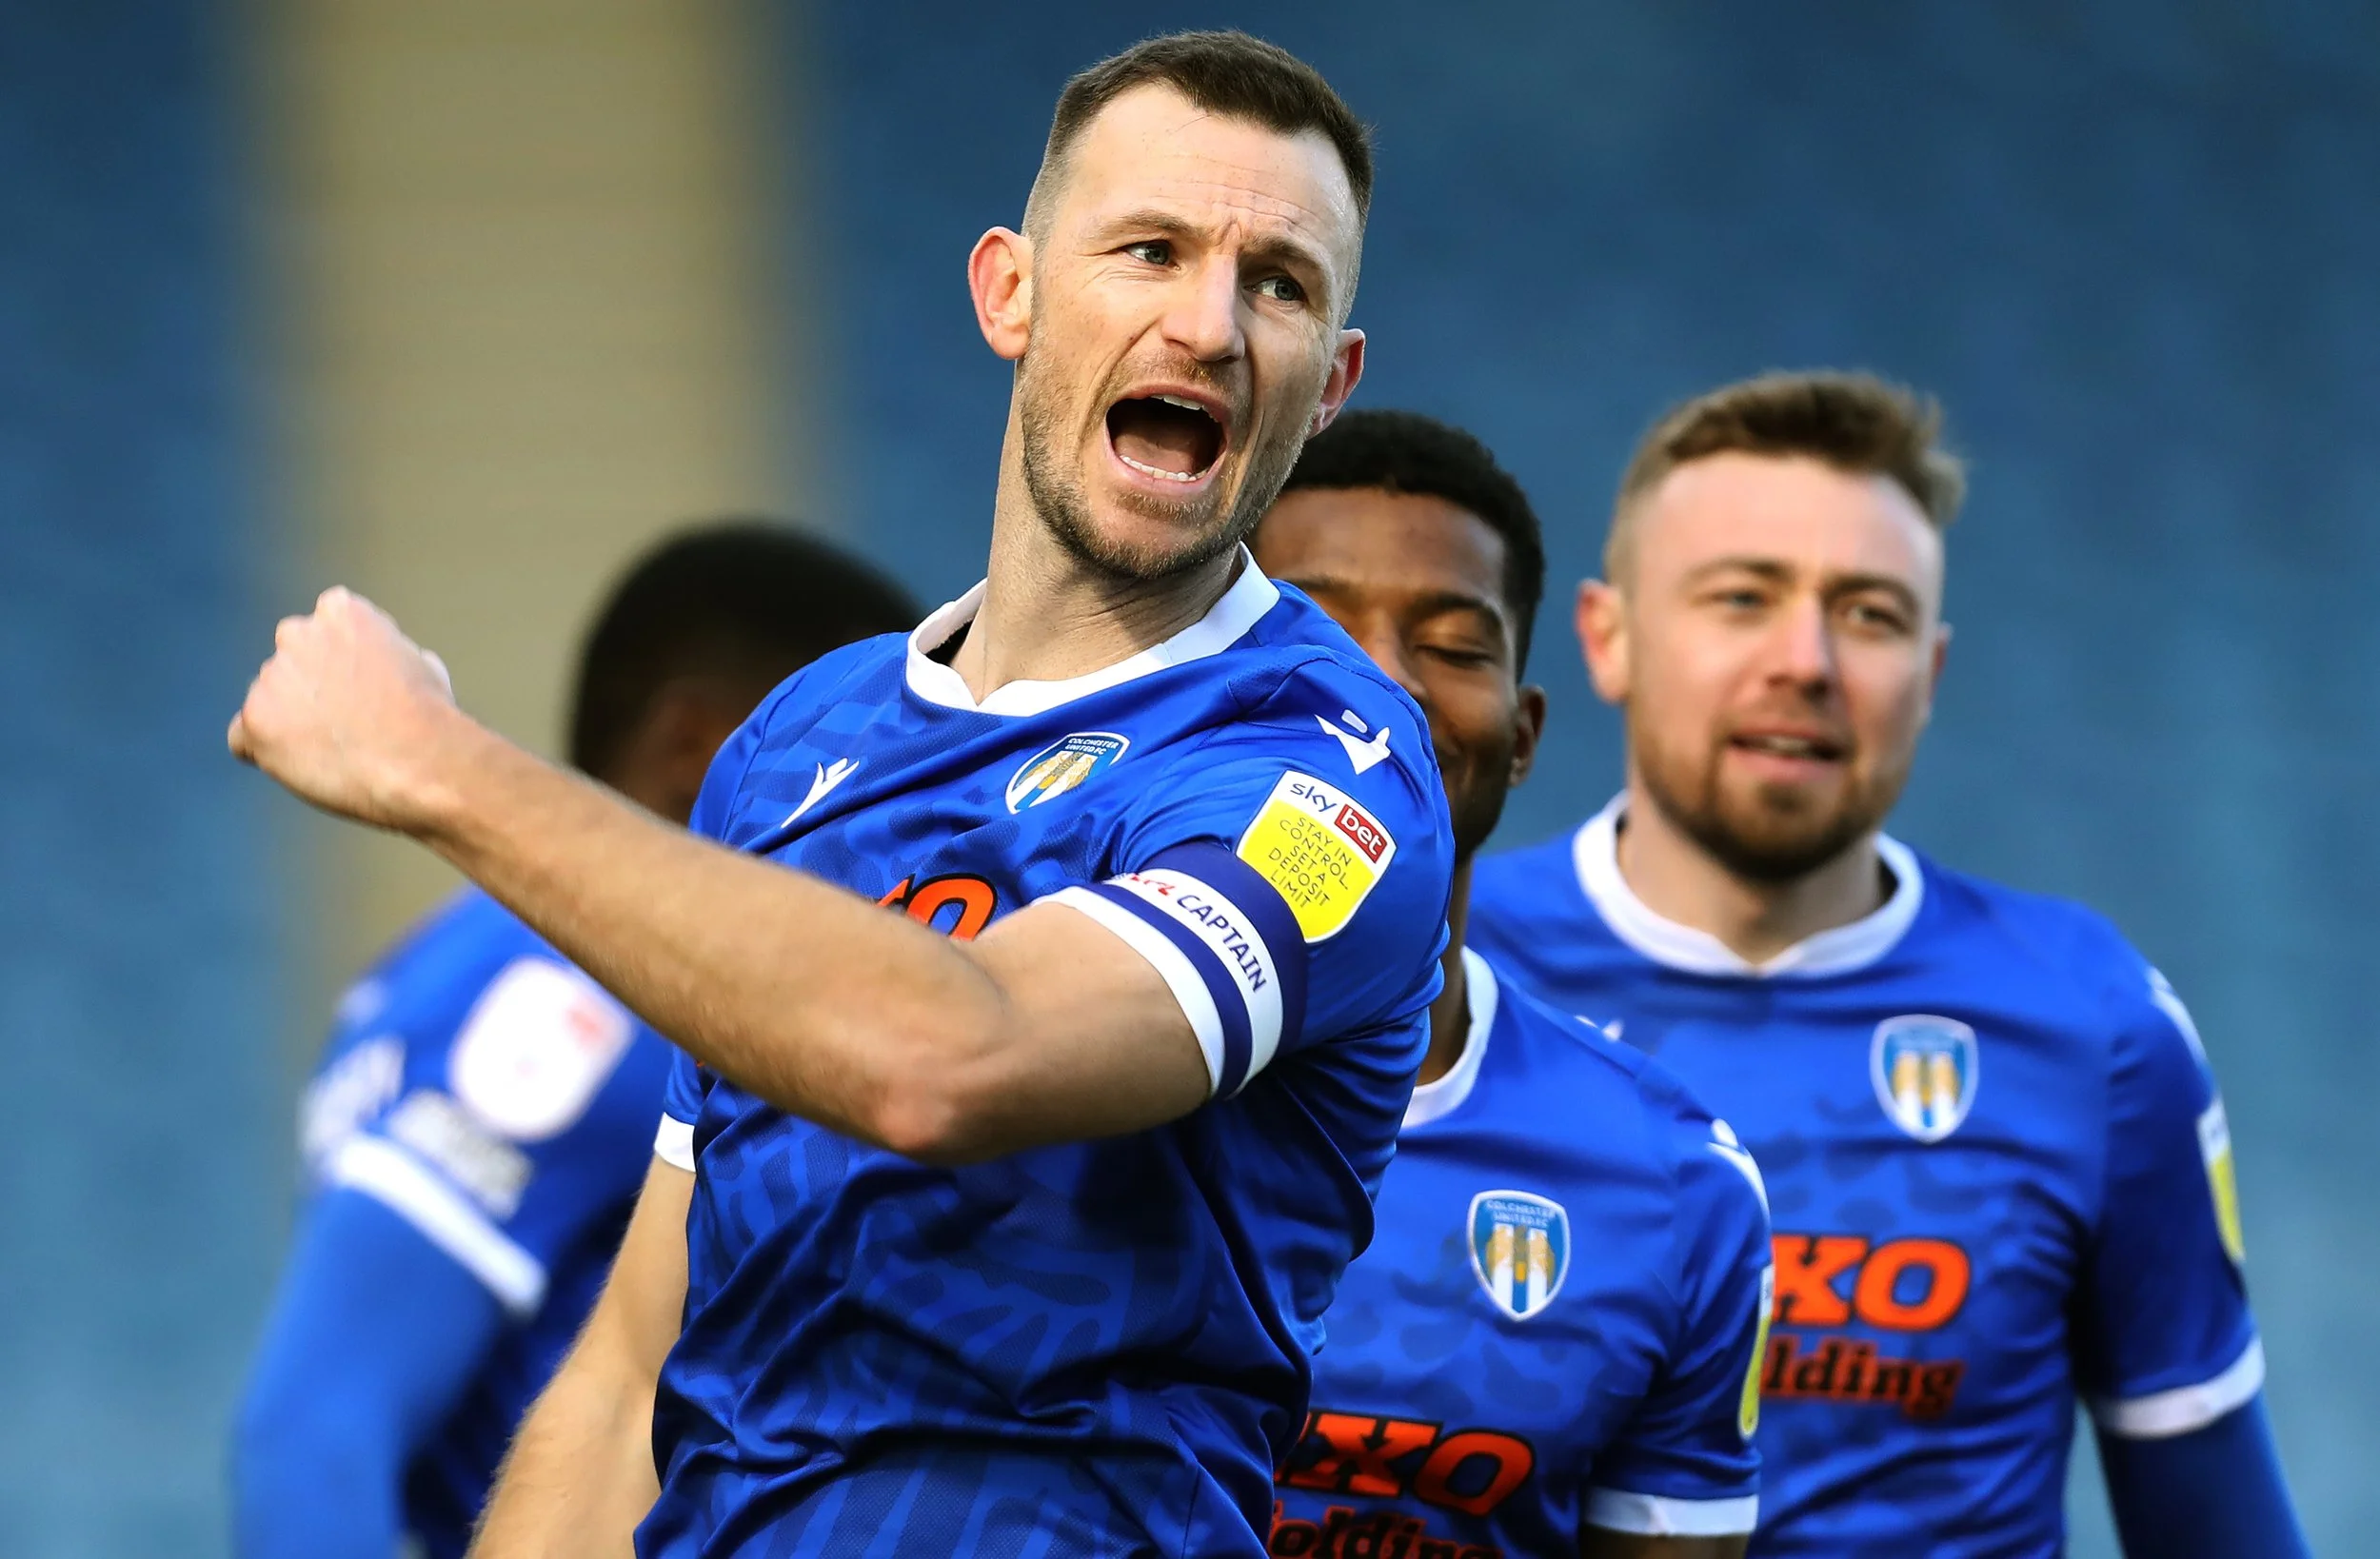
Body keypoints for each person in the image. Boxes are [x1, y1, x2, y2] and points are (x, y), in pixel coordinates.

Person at [228, 31, 1458, 1559]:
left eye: (1278, 283)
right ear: (1009, 290)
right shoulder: (797, 740)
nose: (1208, 324)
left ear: (1330, 381)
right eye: (1150, 249)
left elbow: (953, 1058)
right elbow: (630, 1372)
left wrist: (435, 765)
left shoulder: (1323, 766)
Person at [1466, 372, 2309, 1557]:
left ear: (1932, 672)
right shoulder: (1433, 984)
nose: (1804, 661)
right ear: (1608, 638)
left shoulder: (2091, 1030)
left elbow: (2220, 1530)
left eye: (1868, 614)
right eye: (1742, 598)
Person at [230, 523, 921, 1559]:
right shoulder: (576, 994)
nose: (894, 821)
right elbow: (308, 1435)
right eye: (862, 764)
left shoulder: (479, 962)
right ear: (697, 749)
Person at [1253, 410, 1772, 1559]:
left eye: (1451, 644)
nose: (1384, 683)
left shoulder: (1671, 1182)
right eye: (1316, 622)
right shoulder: (1047, 1080)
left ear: (1523, 734)